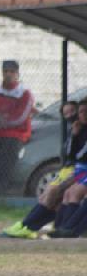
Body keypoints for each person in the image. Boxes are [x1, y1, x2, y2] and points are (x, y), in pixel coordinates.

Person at [2, 101, 80, 239]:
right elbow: (70, 154)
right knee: (47, 194)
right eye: (65, 113)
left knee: (56, 192)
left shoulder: (82, 130)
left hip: (79, 169)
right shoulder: (75, 129)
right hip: (72, 167)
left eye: (72, 112)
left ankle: (31, 226)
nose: (69, 116)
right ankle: (26, 225)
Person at [0, 60, 36, 196]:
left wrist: (4, 121)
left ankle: (0, 196)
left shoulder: (24, 93)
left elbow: (21, 117)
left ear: (17, 74)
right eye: (5, 71)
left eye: (12, 72)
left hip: (16, 135)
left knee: (4, 166)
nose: (8, 74)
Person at [47, 101, 87, 238]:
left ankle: (71, 229)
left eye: (85, 111)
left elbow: (80, 156)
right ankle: (61, 227)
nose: (83, 115)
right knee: (68, 193)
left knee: (74, 192)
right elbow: (71, 154)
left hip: (82, 170)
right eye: (81, 112)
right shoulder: (78, 129)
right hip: (80, 170)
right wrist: (74, 135)